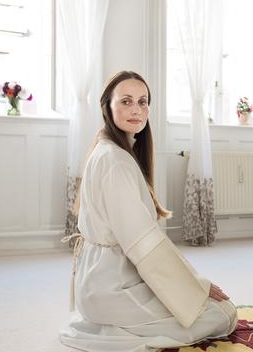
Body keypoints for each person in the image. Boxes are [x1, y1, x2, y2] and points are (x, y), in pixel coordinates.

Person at [60, 71, 238, 352]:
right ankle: (113, 328)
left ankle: (116, 323)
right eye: (126, 101)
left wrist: (193, 287)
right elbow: (145, 245)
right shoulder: (115, 161)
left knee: (201, 305)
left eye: (143, 102)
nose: (136, 110)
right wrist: (197, 285)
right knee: (224, 312)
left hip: (99, 283)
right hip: (110, 289)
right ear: (107, 106)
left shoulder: (110, 151)